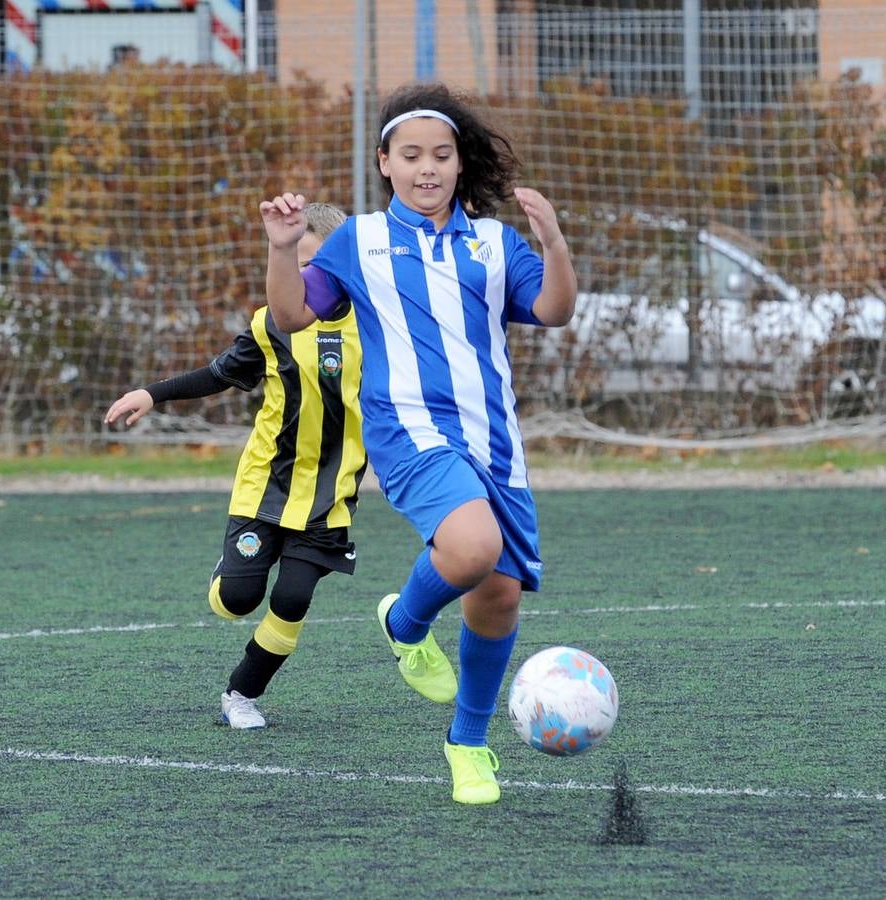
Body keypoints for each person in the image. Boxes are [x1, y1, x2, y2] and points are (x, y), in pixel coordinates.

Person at [259, 82, 578, 804]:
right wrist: (283, 251)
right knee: (471, 549)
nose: (427, 167)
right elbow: (291, 316)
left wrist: (554, 244)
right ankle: (406, 620)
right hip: (410, 431)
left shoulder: (495, 243)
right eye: (412, 155)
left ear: (461, 164)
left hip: (494, 443)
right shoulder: (359, 241)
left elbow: (555, 310)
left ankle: (468, 745)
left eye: (441, 154)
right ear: (385, 162)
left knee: (496, 596)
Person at [104, 202, 366, 730]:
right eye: (297, 263)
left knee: (292, 598)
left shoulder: (379, 324)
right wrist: (152, 394)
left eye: (317, 264)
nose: (306, 276)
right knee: (236, 600)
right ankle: (229, 574)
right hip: (266, 487)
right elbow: (219, 374)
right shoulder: (273, 325)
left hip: (331, 495)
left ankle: (241, 695)